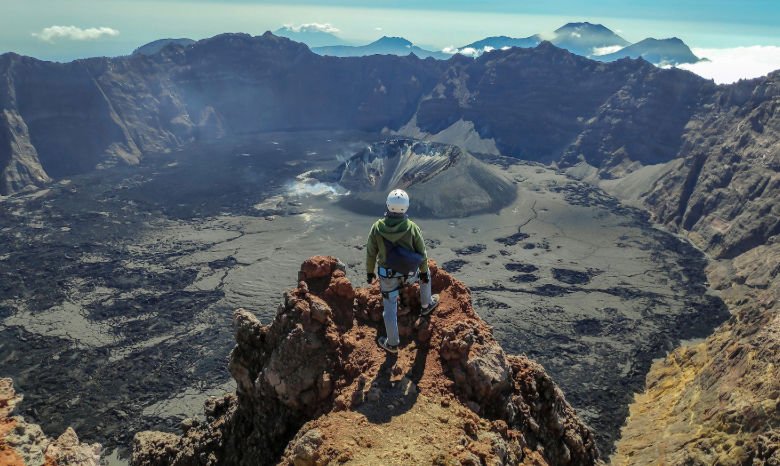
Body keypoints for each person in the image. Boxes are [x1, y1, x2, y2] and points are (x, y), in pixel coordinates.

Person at [366, 189, 440, 353]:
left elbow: (371, 253)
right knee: (425, 273)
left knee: (390, 309)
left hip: (388, 278)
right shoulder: (412, 227)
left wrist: (370, 272)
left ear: (387, 205)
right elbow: (422, 254)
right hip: (409, 275)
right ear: (406, 208)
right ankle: (426, 304)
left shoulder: (377, 228)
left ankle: (392, 344)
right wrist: (423, 274)